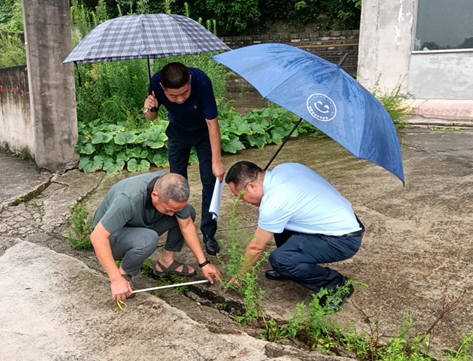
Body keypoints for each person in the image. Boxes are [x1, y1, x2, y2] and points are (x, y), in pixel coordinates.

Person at [224, 161, 364, 312]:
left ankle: (337, 285)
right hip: (342, 220)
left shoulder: (275, 203)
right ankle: (291, 267)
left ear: (252, 186)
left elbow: (256, 247)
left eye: (240, 196)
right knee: (277, 225)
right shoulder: (285, 168)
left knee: (281, 260)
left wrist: (239, 276)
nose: (241, 202)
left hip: (343, 239)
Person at [90, 171, 221, 301]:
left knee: (188, 213)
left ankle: (166, 262)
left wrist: (204, 263)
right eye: (168, 209)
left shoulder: (169, 184)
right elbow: (98, 237)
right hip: (112, 238)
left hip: (139, 226)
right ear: (154, 194)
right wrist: (115, 279)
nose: (170, 214)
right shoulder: (127, 200)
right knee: (148, 239)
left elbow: (186, 225)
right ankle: (124, 274)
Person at [143, 62, 225, 256]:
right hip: (178, 134)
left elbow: (213, 124)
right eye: (173, 96)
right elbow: (151, 118)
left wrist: (217, 161)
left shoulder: (202, 81)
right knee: (174, 185)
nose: (179, 100)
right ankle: (179, 229)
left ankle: (208, 233)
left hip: (204, 133)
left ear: (189, 81)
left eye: (184, 93)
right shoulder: (155, 83)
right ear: (163, 88)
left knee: (210, 179)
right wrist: (150, 109)